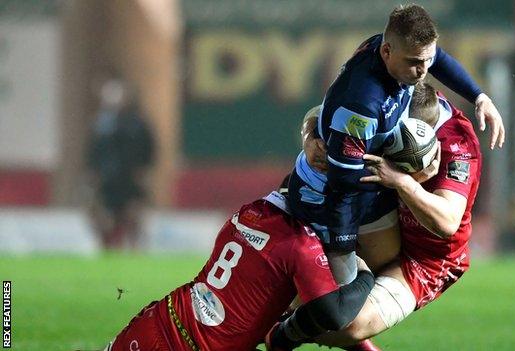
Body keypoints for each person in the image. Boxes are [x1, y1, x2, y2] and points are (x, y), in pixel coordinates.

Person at [287, 3, 502, 289]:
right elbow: (344, 188)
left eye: (427, 60)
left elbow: (437, 59)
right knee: (339, 300)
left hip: (362, 185)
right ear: (387, 52)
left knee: (381, 265)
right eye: (416, 61)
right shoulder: (364, 103)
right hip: (325, 197)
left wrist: (479, 97)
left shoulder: (394, 56)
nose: (423, 70)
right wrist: (343, 250)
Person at [269, 83, 483, 350]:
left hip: (426, 257)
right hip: (378, 221)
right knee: (290, 263)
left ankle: (280, 332)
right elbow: (320, 113)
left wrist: (403, 183)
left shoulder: (458, 145)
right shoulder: (392, 101)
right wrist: (311, 137)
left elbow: (447, 223)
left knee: (347, 324)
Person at [104, 191, 375, 351]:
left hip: (161, 321)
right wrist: (366, 276)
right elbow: (333, 314)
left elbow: (252, 301)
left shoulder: (252, 211)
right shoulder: (301, 246)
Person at [86, 77, 155, 250]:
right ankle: (107, 247)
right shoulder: (100, 124)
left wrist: (143, 171)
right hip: (107, 178)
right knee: (102, 215)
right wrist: (93, 172)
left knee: (132, 215)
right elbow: (93, 151)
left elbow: (148, 149)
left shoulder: (137, 124)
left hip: (129, 177)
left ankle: (135, 247)